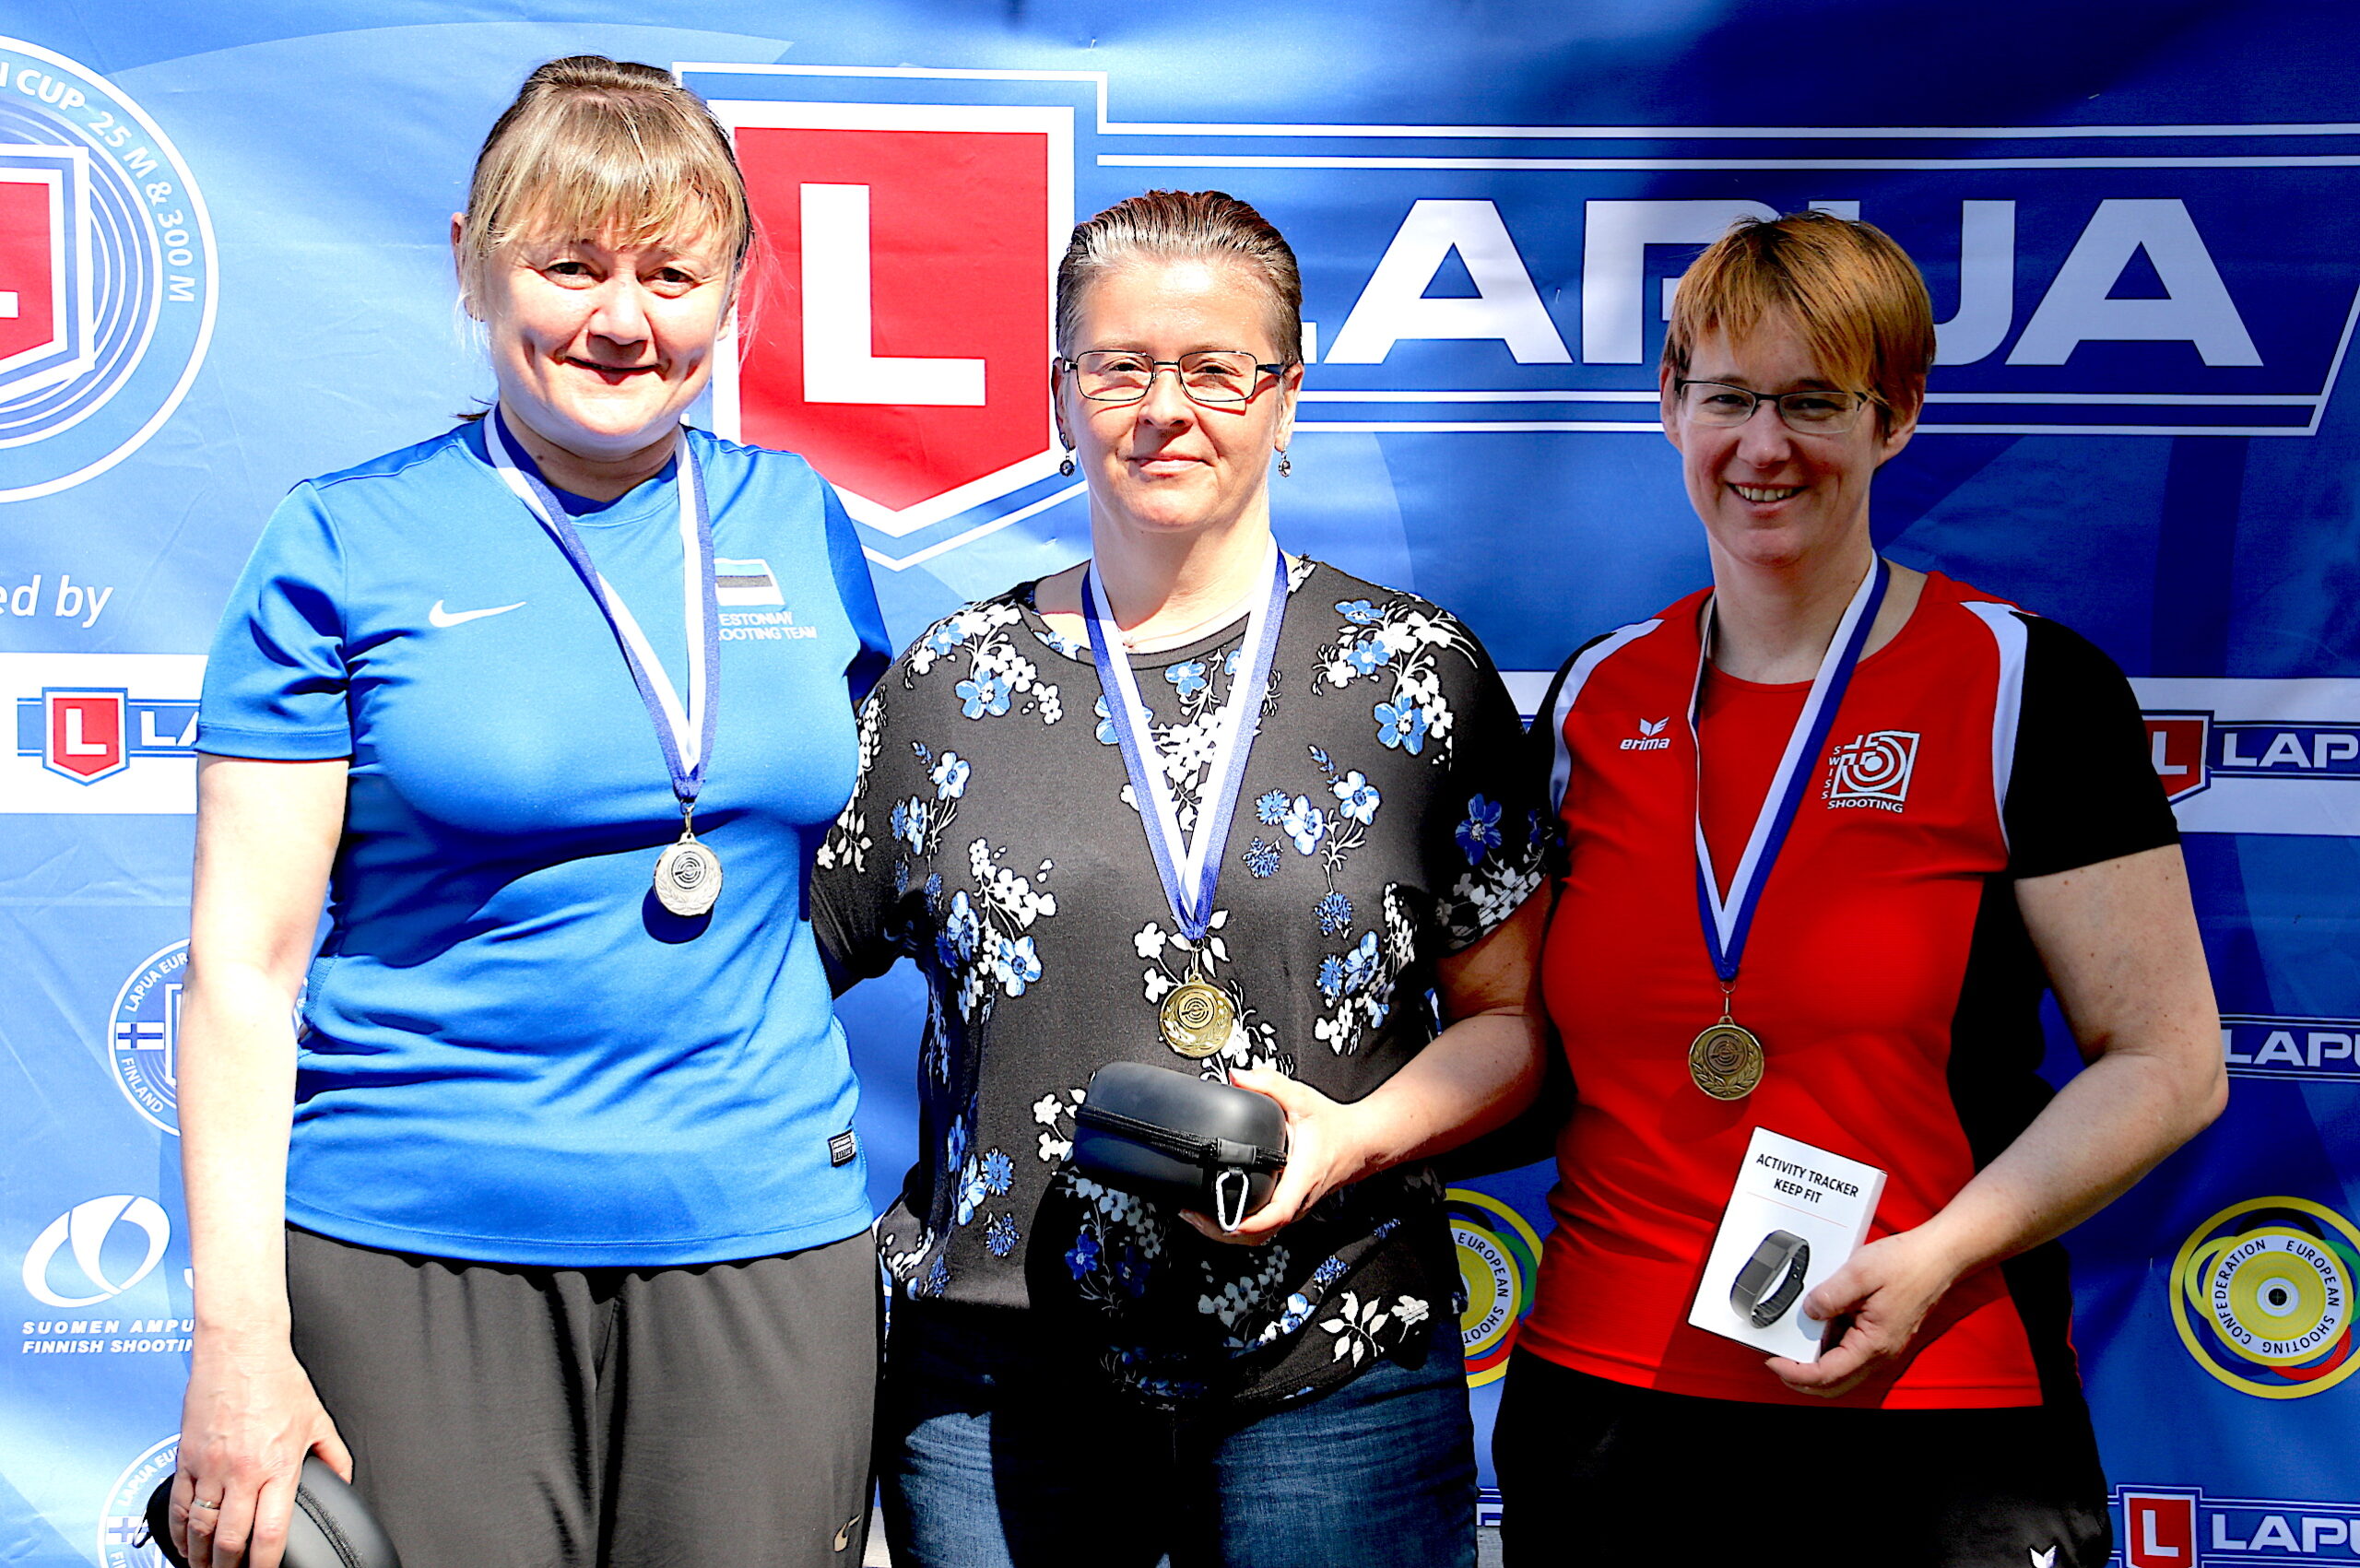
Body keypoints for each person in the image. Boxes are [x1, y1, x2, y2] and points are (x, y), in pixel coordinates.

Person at [170, 57, 889, 1568]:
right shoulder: (343, 540)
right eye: (570, 265)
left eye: (670, 275)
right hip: (417, 1246)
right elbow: (242, 968)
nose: (621, 320)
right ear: (473, 261)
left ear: (734, 289)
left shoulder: (802, 523)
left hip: (760, 1231)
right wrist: (236, 1338)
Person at [811, 190, 1551, 1568]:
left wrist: (1352, 1137)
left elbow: (1512, 1027)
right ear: (1059, 396)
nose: (1166, 409)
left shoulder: (1415, 679)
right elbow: (762, 974)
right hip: (1001, 1386)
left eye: (1217, 369)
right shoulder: (946, 689)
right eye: (1120, 368)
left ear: (1287, 397)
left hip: (1335, 1370)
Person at [1495, 211, 2225, 1567]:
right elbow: (1516, 1039)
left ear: (1895, 418)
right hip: (1612, 1406)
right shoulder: (1598, 695)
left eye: (1814, 402)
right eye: (1728, 398)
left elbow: (2170, 1063)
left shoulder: (2024, 687)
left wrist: (1940, 1252)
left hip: (1937, 1400)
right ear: (1670, 407)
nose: (1763, 446)